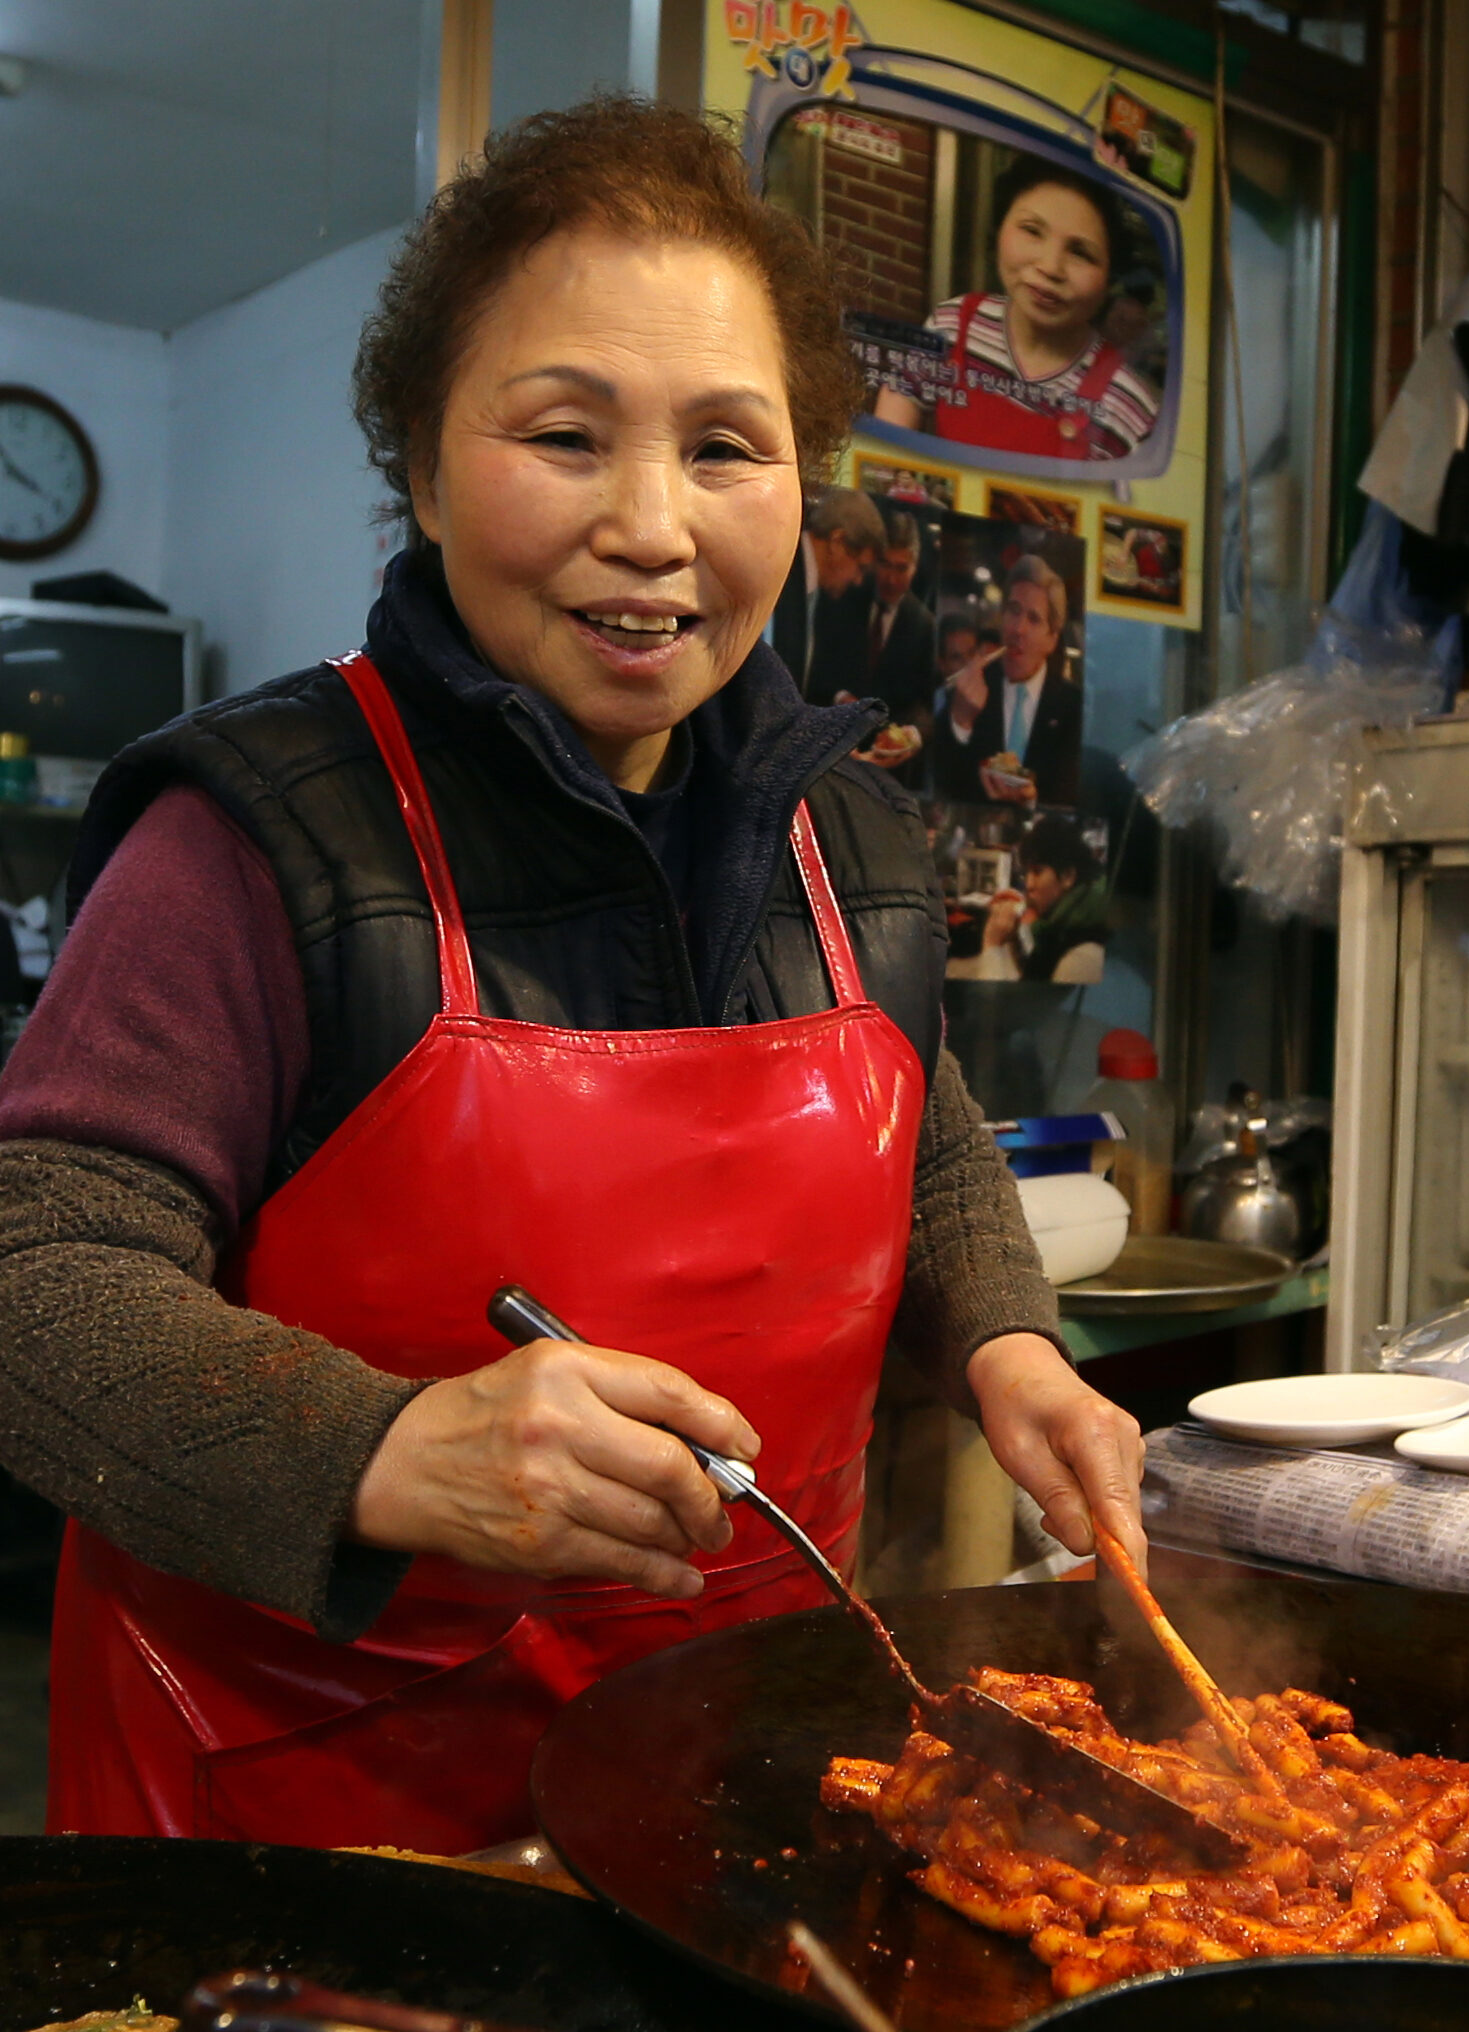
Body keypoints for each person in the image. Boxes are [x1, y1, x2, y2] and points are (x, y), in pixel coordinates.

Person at [0, 96, 1144, 1850]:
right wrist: (382, 1451)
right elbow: (33, 1273)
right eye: (563, 434)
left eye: (724, 448)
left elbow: (926, 1139)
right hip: (312, 1831)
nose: (651, 526)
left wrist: (1008, 1344)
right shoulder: (254, 837)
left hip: (746, 1784)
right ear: (423, 457)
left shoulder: (850, 837)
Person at [873, 155, 1161, 464]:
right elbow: (890, 430)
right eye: (1032, 231)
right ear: (1000, 227)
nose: (1050, 267)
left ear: (1110, 277)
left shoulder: (1128, 405)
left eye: (1080, 252)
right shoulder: (953, 324)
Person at [928, 556, 1081, 806]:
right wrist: (960, 721)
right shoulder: (968, 688)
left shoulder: (1073, 707)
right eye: (1013, 610)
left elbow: (1068, 801)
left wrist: (1031, 802)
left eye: (1033, 619)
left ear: (1052, 639)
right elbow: (941, 786)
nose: (1018, 629)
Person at [776, 486, 884, 704]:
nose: (858, 580)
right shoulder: (782, 572)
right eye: (860, 567)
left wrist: (839, 697)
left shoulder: (817, 592)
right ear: (837, 542)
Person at [976, 813, 1108, 985]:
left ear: (1068, 876)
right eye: (1026, 874)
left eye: (1037, 872)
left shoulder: (1082, 955)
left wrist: (992, 944)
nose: (1029, 885)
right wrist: (1013, 942)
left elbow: (1001, 1008)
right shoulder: (1062, 926)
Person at [862, 510, 940, 721]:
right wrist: (839, 695)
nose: (891, 579)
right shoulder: (849, 596)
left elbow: (925, 701)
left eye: (901, 568)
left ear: (914, 568)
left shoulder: (925, 627)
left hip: (889, 744)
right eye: (885, 565)